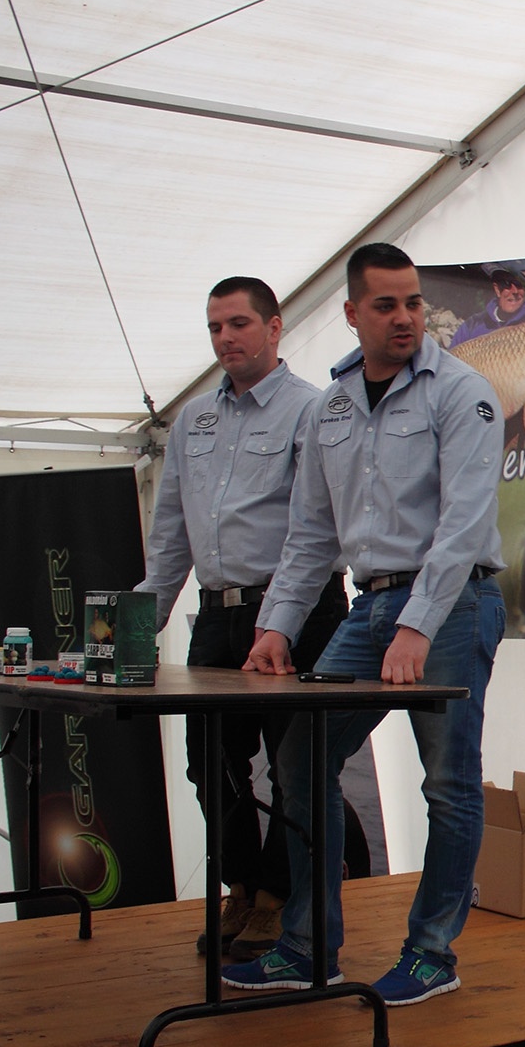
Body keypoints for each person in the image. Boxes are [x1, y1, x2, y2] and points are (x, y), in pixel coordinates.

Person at [225, 242, 506, 1007]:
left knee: (447, 783)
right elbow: (311, 531)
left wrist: (418, 625)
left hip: (450, 604)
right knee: (301, 758)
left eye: (413, 302)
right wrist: (276, 625)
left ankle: (432, 953)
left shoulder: (463, 392)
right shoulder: (334, 405)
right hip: (369, 605)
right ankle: (309, 948)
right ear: (351, 314)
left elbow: (464, 522)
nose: (406, 317)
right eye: (385, 305)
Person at [136, 276, 352, 962]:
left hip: (298, 610)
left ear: (274, 327)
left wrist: (279, 624)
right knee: (210, 763)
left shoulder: (315, 411)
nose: (225, 338)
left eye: (237, 324)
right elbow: (171, 533)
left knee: (294, 766)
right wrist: (140, 624)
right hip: (217, 614)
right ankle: (246, 882)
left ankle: (279, 897)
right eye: (214, 328)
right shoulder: (193, 420)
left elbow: (317, 532)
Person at [452, 268, 525, 343]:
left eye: (520, 285)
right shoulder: (472, 324)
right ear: (497, 290)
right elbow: (450, 357)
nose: (515, 291)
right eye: (507, 284)